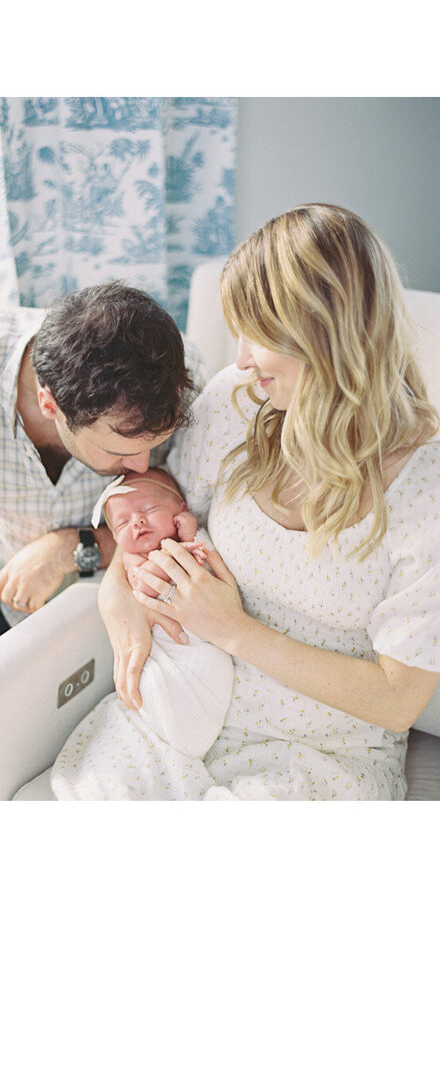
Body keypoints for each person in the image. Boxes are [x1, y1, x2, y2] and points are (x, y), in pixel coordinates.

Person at [100, 204, 440, 799]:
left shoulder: (424, 485)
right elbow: (154, 522)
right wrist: (117, 600)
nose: (239, 359)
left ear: (323, 332)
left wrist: (233, 630)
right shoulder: (238, 403)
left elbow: (397, 701)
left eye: (256, 333)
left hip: (322, 755)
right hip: (187, 701)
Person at [0, 282, 197, 670]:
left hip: (100, 583)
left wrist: (75, 548)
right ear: (50, 404)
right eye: (120, 450)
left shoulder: (181, 377)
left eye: (153, 445)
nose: (143, 466)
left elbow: (198, 528)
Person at [49, 468, 236, 797]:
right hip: (167, 655)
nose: (136, 522)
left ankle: (186, 731)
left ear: (180, 508)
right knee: (143, 682)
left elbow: (205, 564)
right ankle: (166, 728)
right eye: (121, 524)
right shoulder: (133, 562)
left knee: (212, 669)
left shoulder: (199, 537)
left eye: (148, 510)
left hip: (201, 654)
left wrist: (188, 532)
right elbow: (147, 584)